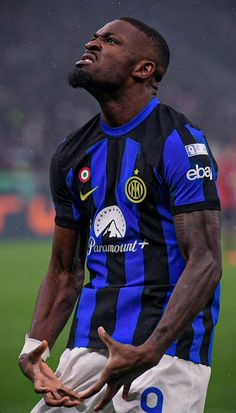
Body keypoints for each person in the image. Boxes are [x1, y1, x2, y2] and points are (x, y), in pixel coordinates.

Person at [18, 17, 222, 413]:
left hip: (166, 357)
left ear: (144, 69)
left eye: (109, 40)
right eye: (93, 37)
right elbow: (64, 269)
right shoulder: (71, 152)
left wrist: (150, 350)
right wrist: (33, 350)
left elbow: (207, 260)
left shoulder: (178, 142)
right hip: (87, 350)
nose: (92, 43)